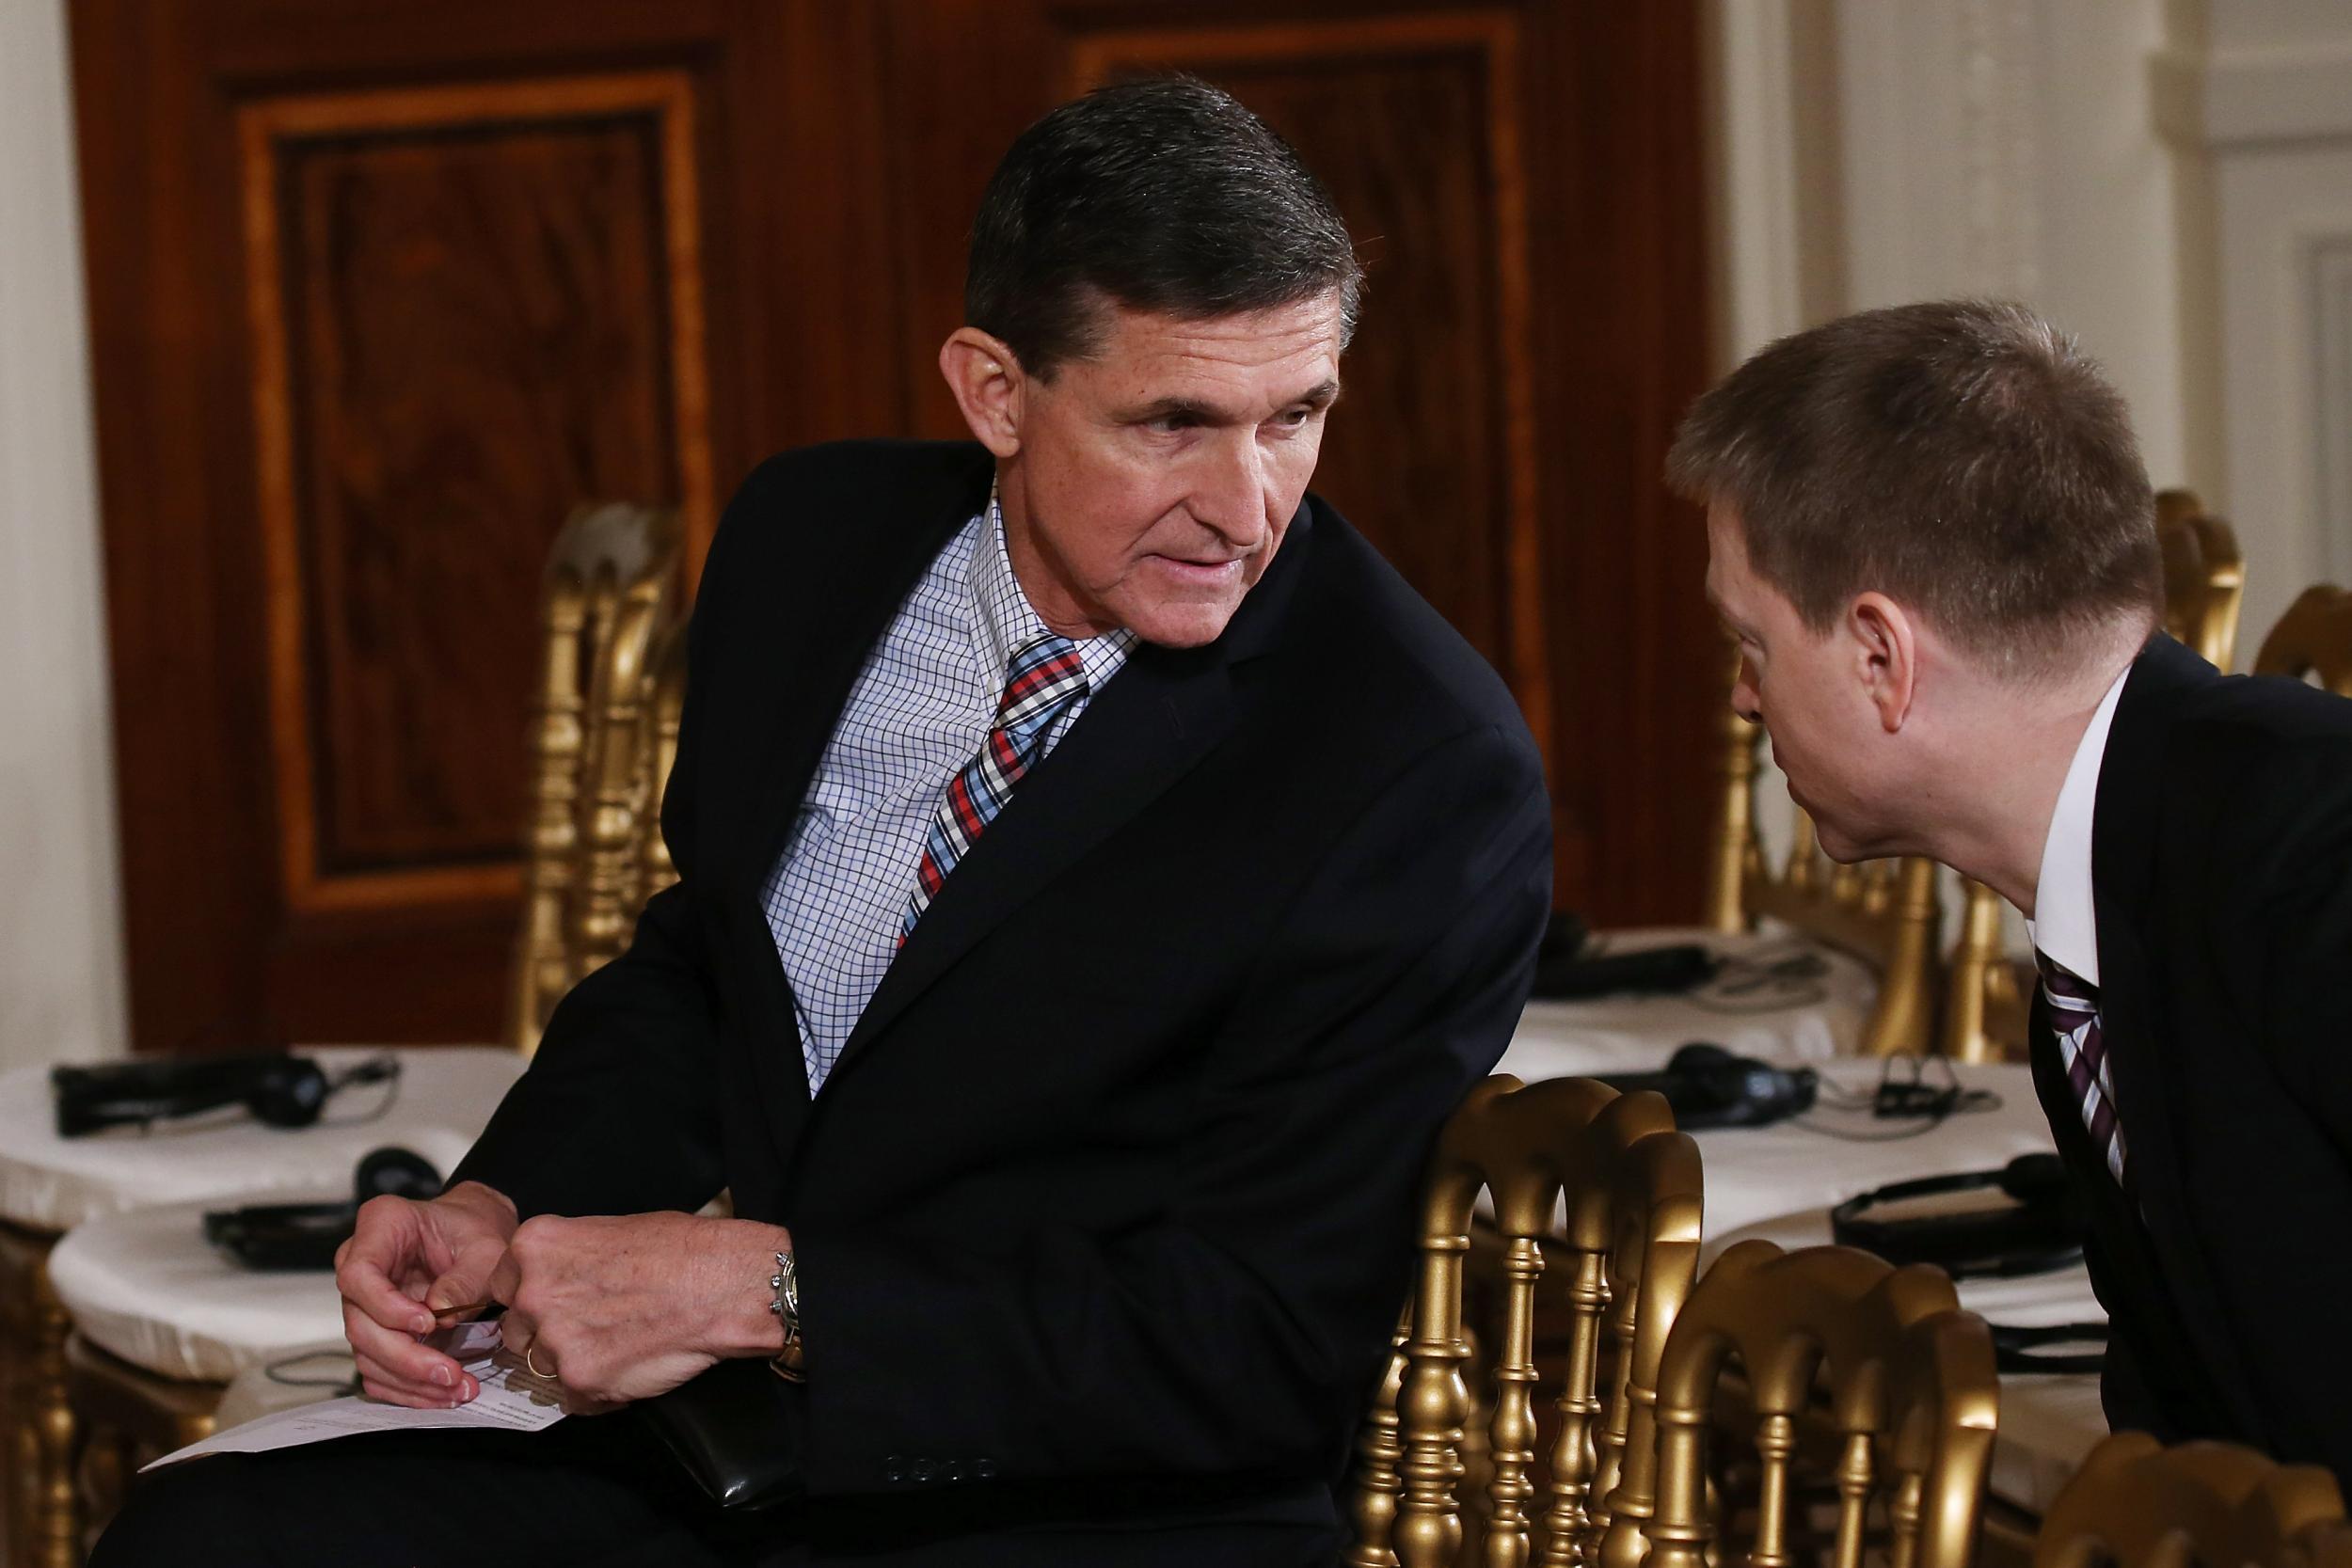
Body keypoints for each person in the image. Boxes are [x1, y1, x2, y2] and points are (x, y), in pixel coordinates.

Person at [94, 77, 1550, 1567]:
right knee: (203, 1535)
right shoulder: (815, 540)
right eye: (1172, 422)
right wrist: (502, 1195)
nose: (1246, 506)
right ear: (994, 390)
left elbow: (1254, 1343)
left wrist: (765, 1291)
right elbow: (709, 970)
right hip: (737, 1447)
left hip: (1092, 1502)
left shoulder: (1412, 761)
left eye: (1295, 415)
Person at [1671, 298, 2352, 1481]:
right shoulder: (2121, 863)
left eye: (1754, 642)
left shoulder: (2309, 847)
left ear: (1881, 657)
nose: (1741, 695)